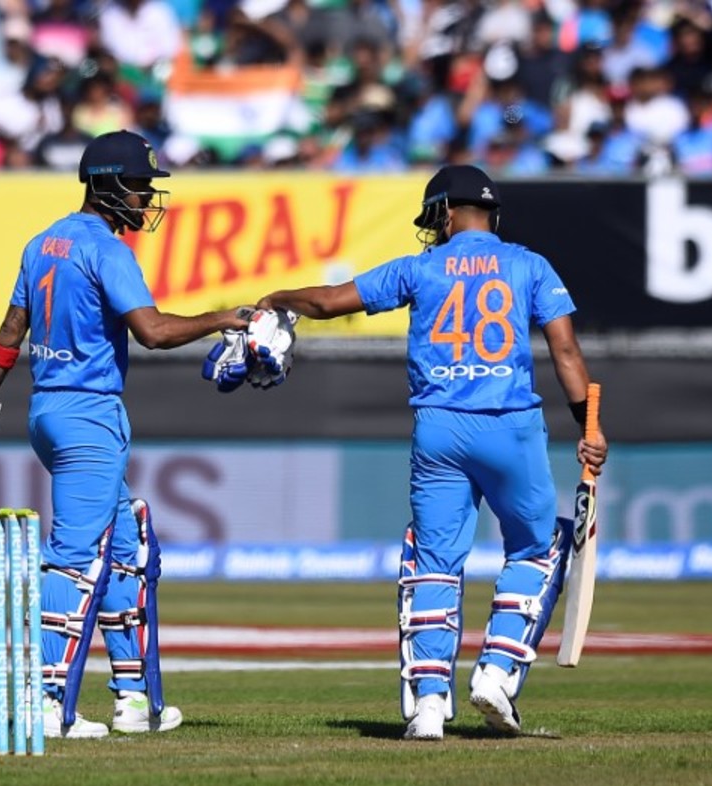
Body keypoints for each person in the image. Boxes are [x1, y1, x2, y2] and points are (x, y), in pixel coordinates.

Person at [254, 164, 608, 741]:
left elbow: (331, 301)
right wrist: (588, 425)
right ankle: (496, 673)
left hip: (439, 428)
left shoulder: (420, 268)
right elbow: (565, 350)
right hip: (511, 427)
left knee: (435, 562)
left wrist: (277, 298)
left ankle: (429, 703)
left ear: (445, 212)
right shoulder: (529, 265)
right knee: (536, 548)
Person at [0, 130, 250, 738]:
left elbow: (9, 335)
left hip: (47, 412)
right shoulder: (108, 251)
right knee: (75, 558)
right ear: (107, 185)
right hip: (89, 416)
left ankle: (132, 700)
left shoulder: (42, 243)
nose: (145, 199)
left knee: (128, 553)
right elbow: (153, 332)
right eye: (138, 187)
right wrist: (224, 317)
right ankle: (44, 701)